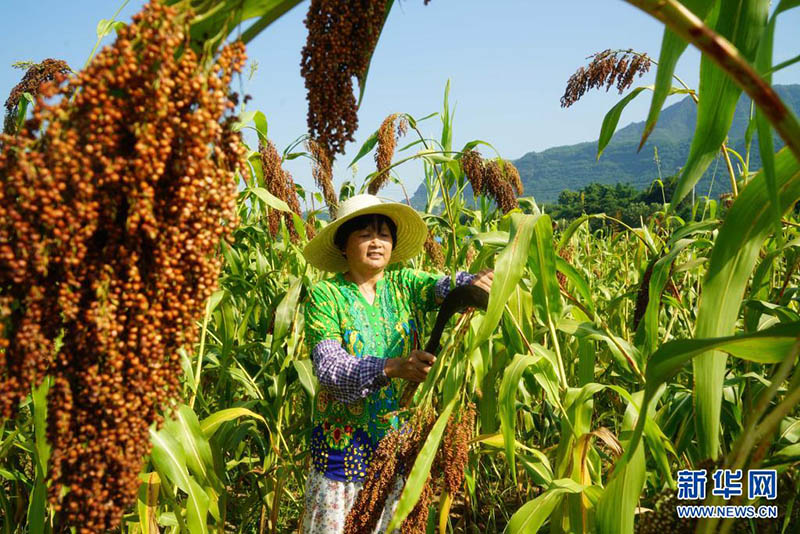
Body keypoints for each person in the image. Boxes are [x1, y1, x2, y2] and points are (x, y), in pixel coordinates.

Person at [299, 194, 493, 534]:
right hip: (342, 460)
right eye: (365, 234)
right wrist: (392, 367)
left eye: (384, 235)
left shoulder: (405, 285)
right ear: (344, 244)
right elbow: (330, 370)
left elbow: (445, 287)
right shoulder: (325, 296)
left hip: (398, 452)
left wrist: (475, 282)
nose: (377, 242)